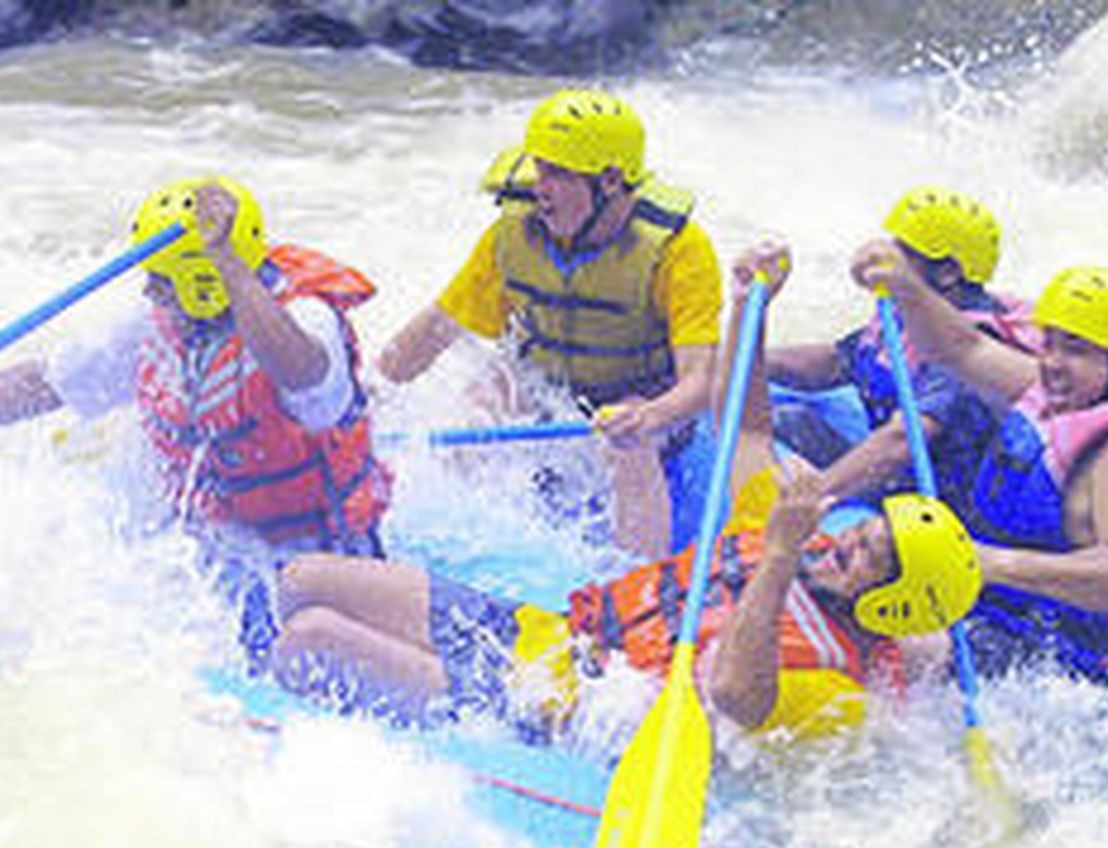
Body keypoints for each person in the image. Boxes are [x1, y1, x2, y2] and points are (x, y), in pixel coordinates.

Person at [272, 244, 983, 742]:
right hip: (552, 635)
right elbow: (750, 428)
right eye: (861, 531)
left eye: (864, 555)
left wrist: (777, 559)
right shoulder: (799, 547)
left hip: (559, 708)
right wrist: (753, 303)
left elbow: (737, 698)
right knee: (301, 581)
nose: (844, 542)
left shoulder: (831, 686)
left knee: (311, 638)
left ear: (885, 604)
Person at [0, 176, 393, 561]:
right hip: (213, 558)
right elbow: (44, 385)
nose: (148, 292)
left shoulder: (307, 318)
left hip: (328, 562)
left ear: (202, 281)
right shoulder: (158, 328)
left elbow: (297, 371)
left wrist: (226, 262)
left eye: (161, 280)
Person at [375, 88, 724, 558]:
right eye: (540, 167)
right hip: (550, 387)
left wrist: (649, 416)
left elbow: (700, 383)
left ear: (610, 181)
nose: (541, 187)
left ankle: (636, 582)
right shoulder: (514, 233)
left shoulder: (678, 251)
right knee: (480, 399)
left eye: (559, 174)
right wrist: (364, 393)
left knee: (630, 440)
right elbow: (439, 326)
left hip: (641, 397)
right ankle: (465, 545)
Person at [855, 248, 1108, 697]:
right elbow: (962, 348)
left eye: (1074, 349)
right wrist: (905, 284)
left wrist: (985, 563)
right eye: (1050, 343)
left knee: (877, 656)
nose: (1052, 363)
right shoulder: (1069, 393)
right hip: (1006, 622)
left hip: (1084, 669)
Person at [765, 185, 1039, 511]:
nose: (890, 256)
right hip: (897, 473)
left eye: (904, 252)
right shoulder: (906, 311)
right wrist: (749, 357)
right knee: (786, 419)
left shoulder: (966, 350)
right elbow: (837, 363)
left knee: (783, 428)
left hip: (938, 500)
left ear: (949, 272)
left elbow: (902, 441)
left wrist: (812, 498)